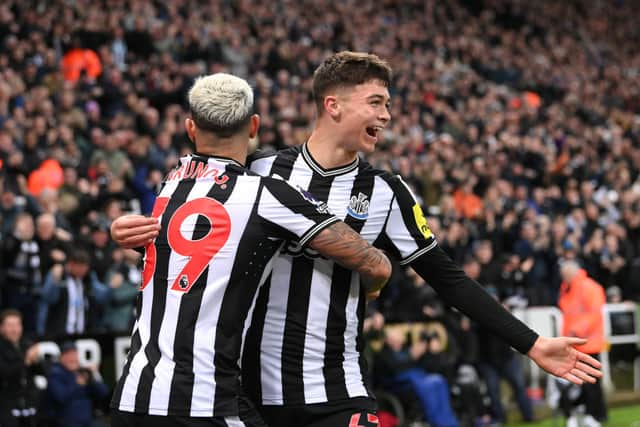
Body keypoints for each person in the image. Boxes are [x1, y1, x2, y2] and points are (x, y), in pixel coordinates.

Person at [113, 52, 602, 427]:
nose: (386, 115)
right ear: (333, 105)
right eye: (376, 102)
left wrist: (532, 342)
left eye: (387, 104)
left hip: (335, 389)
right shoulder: (261, 172)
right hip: (250, 392)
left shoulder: (387, 191)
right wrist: (133, 231)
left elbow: (448, 279)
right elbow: (196, 230)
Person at [109, 72, 391, 427]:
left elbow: (190, 257)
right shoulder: (267, 194)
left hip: (133, 399)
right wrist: (375, 282)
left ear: (190, 128)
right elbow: (373, 263)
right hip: (205, 403)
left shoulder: (171, 187)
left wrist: (121, 234)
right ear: (254, 125)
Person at [558, 260, 608, 426]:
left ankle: (596, 415)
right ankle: (589, 413)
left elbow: (594, 314)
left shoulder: (589, 287)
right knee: (582, 383)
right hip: (576, 344)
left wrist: (576, 331)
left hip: (589, 343)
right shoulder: (567, 288)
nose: (563, 278)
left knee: (592, 382)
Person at [44, 341, 109, 427]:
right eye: (68, 355)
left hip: (88, 421)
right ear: (61, 357)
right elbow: (61, 398)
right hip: (65, 421)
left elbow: (103, 392)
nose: (72, 358)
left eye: (74, 354)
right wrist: (77, 384)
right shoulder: (55, 374)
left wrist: (93, 376)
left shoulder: (83, 372)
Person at [0, 309, 40, 427]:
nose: (14, 329)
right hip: (7, 404)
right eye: (10, 325)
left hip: (28, 402)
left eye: (18, 324)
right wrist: (26, 361)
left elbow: (40, 372)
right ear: (2, 328)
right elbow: (4, 373)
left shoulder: (27, 344)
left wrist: (37, 361)